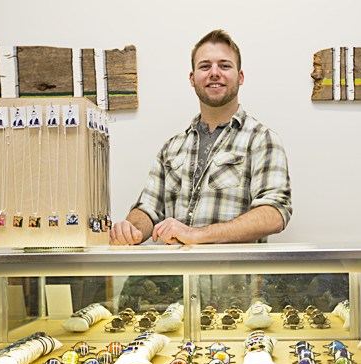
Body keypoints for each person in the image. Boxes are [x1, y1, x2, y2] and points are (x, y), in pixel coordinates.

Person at [110, 30, 292, 246]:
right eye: (205, 66)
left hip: (236, 269)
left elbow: (274, 214)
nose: (214, 73)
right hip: (176, 269)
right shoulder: (171, 148)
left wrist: (197, 234)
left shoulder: (262, 140)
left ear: (240, 77)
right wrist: (131, 229)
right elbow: (147, 209)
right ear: (192, 78)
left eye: (224, 66)